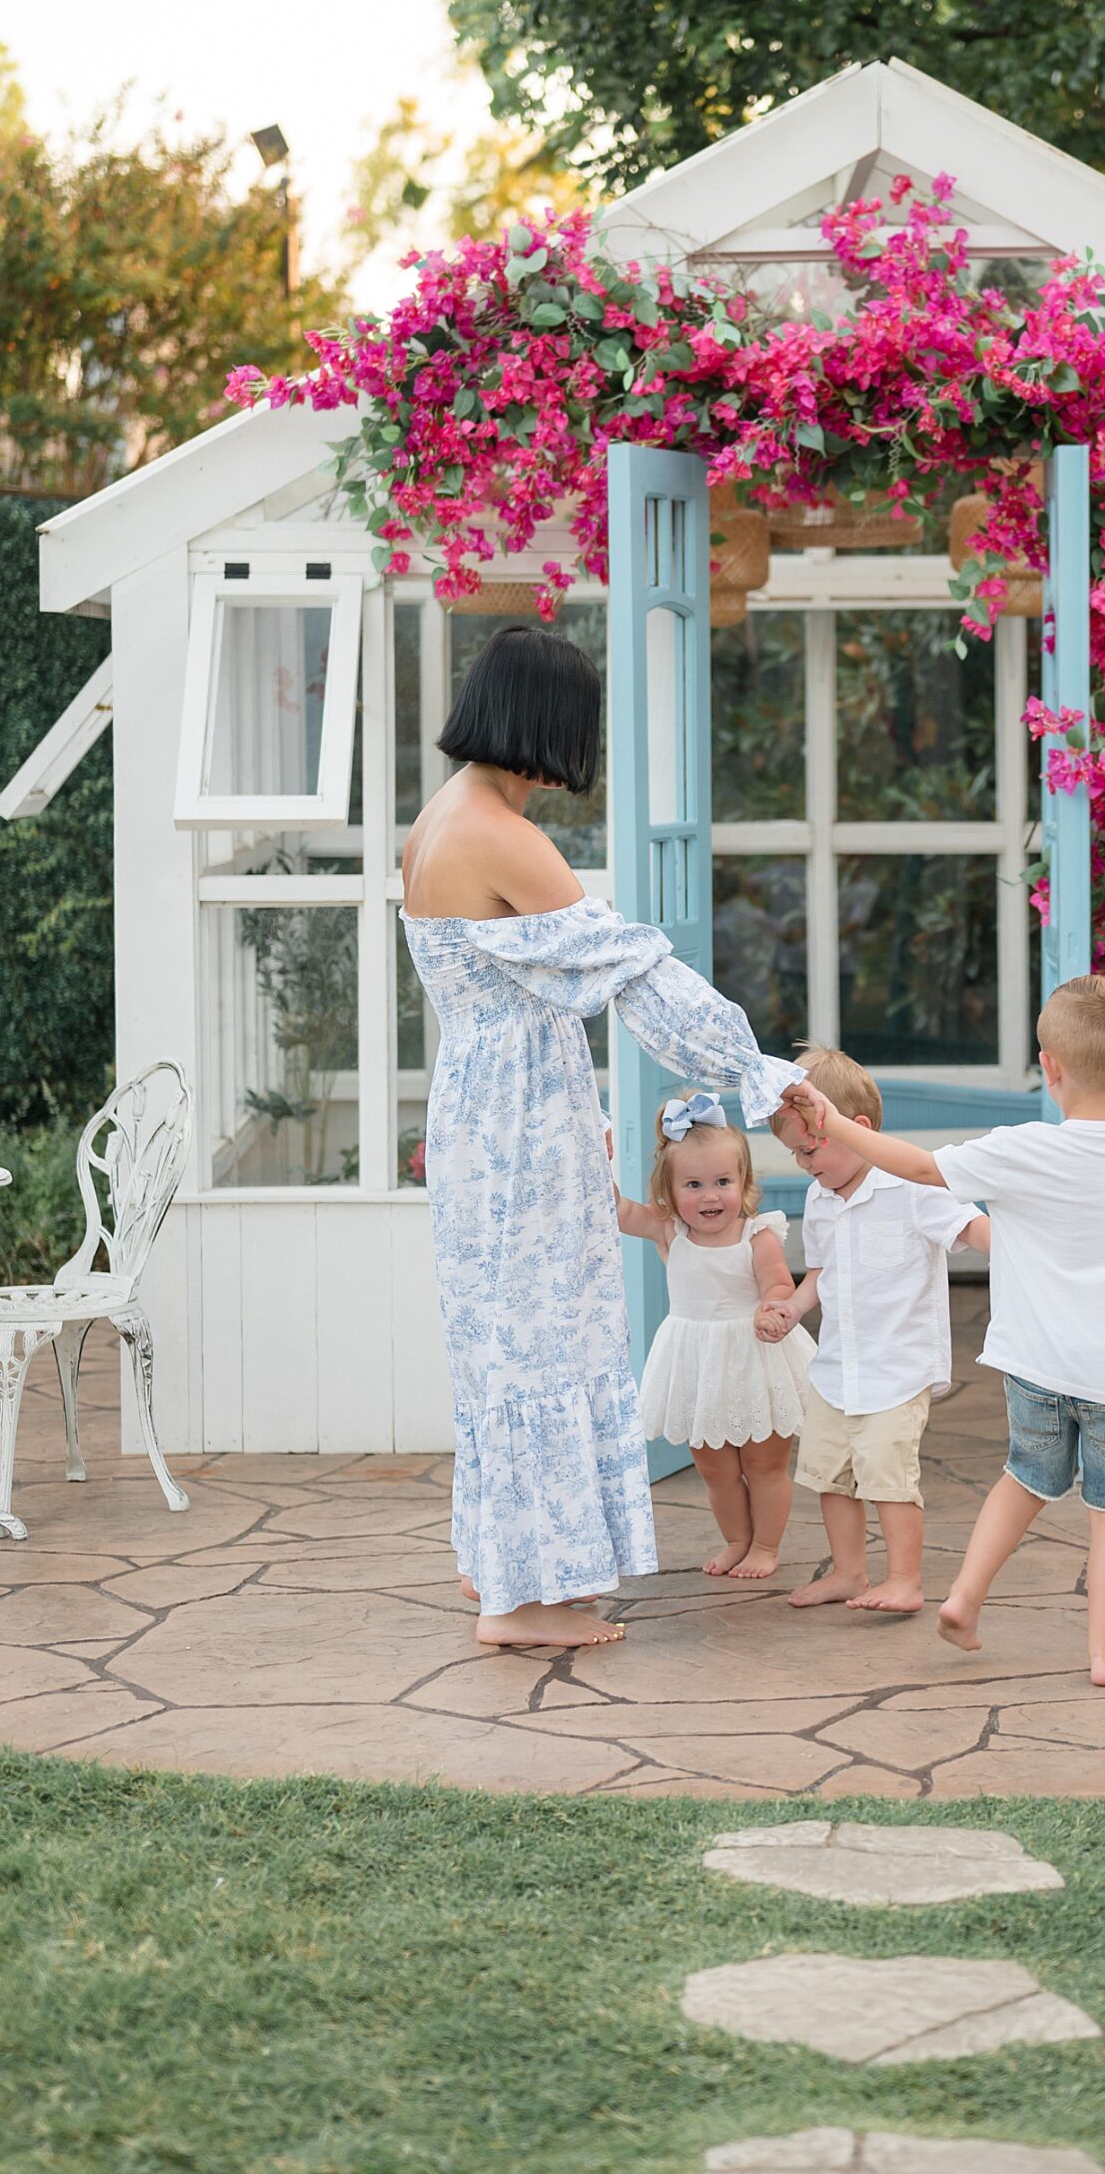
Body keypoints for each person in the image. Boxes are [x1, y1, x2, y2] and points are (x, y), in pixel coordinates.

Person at [400, 624, 797, 1654]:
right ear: (551, 725)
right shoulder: (499, 831)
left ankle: (506, 1564)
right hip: (522, 1125)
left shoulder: (440, 816)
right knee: (541, 1335)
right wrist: (756, 1071)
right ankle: (519, 1602)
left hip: (483, 1109)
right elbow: (637, 978)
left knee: (502, 1341)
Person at [784, 976, 1105, 1685]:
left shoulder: (1022, 1149)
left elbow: (922, 1169)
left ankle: (964, 1597)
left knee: (1023, 1480)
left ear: (1047, 1067)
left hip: (1037, 1368)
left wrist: (832, 1122)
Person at [761, 1047, 987, 1617]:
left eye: (811, 1146)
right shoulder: (818, 1199)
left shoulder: (913, 1186)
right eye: (795, 1152)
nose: (804, 1163)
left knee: (887, 1477)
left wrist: (1023, 1251)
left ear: (855, 1129)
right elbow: (819, 1272)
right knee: (829, 1474)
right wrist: (791, 1309)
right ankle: (847, 1570)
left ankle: (905, 1580)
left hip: (897, 1368)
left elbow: (972, 1225)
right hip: (838, 1369)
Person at [616, 1091, 814, 1580]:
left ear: (744, 1182)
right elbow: (618, 1211)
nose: (710, 1196)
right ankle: (737, 1541)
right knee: (715, 1469)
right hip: (695, 1363)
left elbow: (777, 1281)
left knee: (764, 1464)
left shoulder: (756, 1233)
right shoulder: (670, 1231)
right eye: (694, 1184)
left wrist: (774, 1306)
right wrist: (591, 1159)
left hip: (755, 1357)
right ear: (669, 1191)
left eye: (723, 1182)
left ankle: (765, 1546)